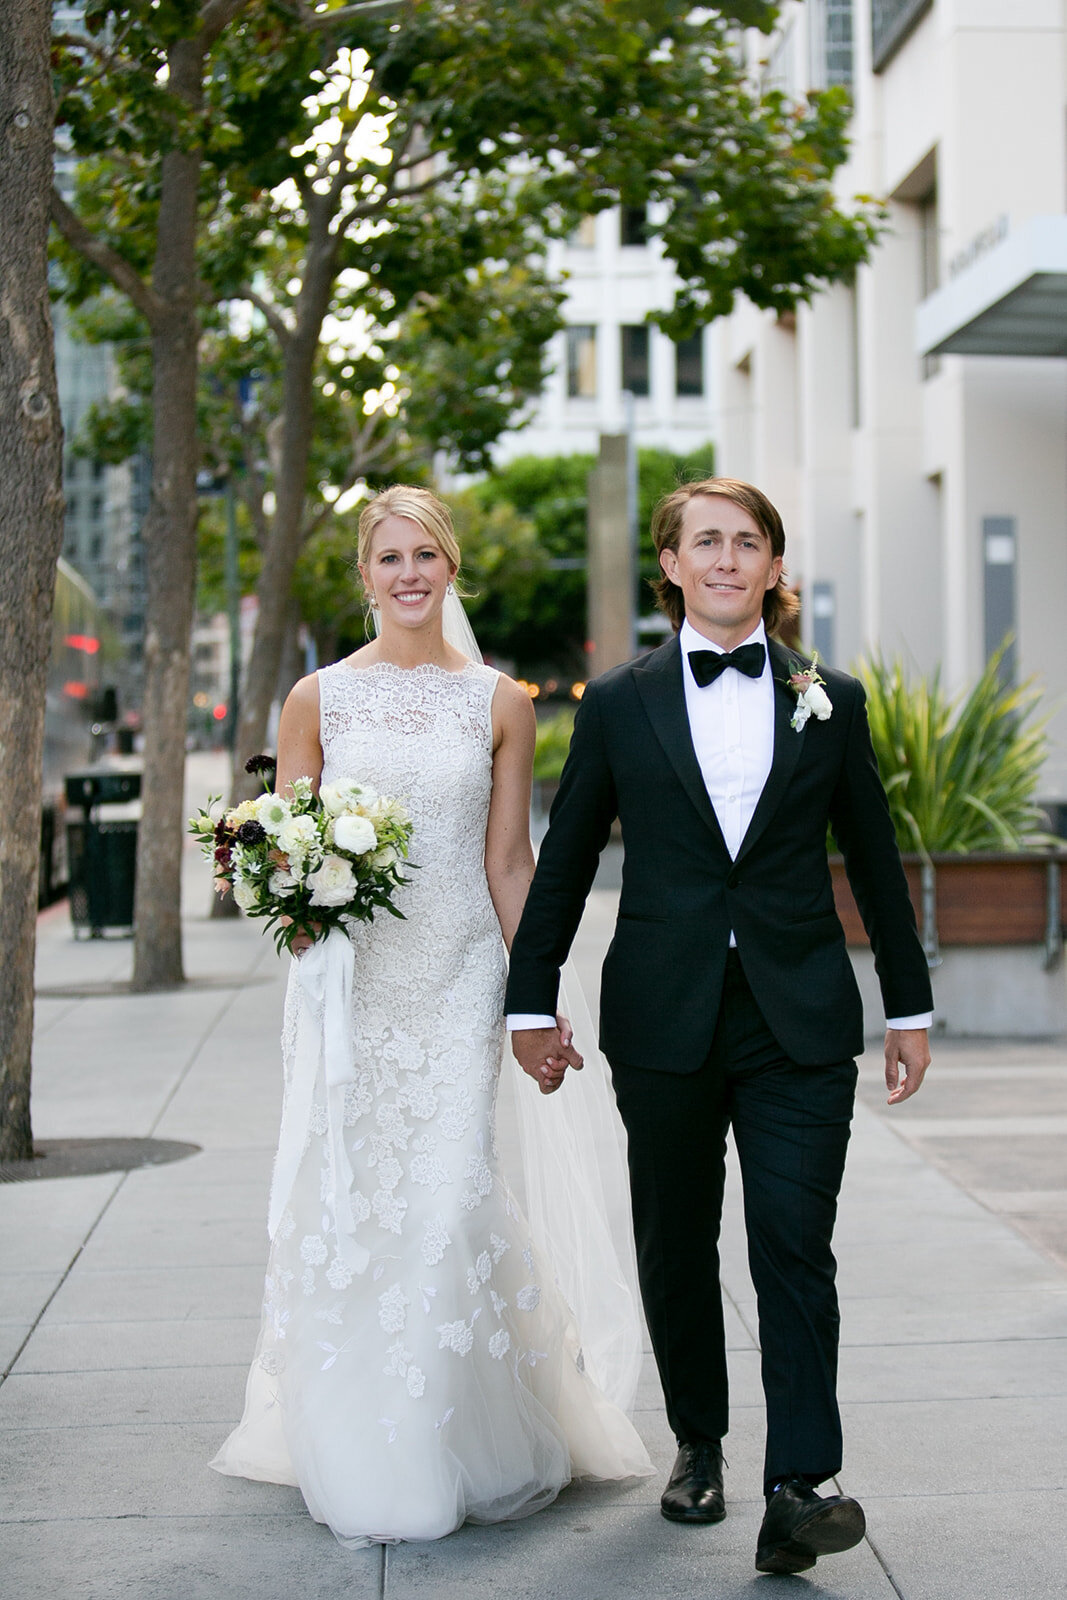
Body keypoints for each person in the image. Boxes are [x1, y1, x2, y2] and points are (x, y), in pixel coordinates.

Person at [506, 476, 933, 1577]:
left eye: (748, 542)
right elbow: (563, 863)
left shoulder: (828, 696)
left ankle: (800, 1483)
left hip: (797, 1018)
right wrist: (528, 996)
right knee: (675, 1238)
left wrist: (907, 1001)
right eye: (707, 542)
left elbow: (875, 864)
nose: (728, 559)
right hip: (663, 1014)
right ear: (672, 566)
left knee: (793, 1243)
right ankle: (698, 1441)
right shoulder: (614, 703)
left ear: (773, 568)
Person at [211, 485, 652, 1546]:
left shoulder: (500, 701)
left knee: (450, 1197)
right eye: (389, 558)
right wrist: (299, 910)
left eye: (426, 556)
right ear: (363, 576)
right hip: (355, 986)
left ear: (451, 569)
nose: (408, 574)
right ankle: (372, 1447)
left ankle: (440, 1435)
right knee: (361, 1209)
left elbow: (508, 861)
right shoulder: (316, 698)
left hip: (457, 975)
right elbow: (287, 845)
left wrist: (534, 995)